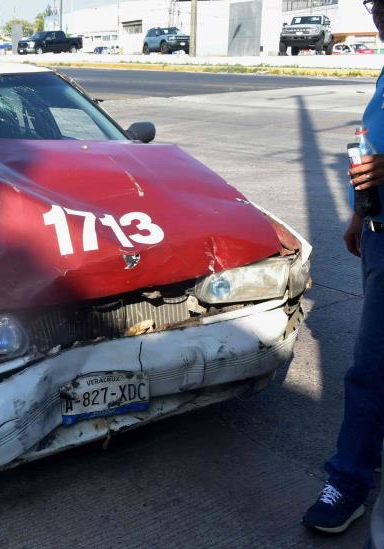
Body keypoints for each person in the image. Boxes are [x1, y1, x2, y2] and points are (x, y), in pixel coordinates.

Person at [302, 0, 384, 534]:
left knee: (369, 368)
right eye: (374, 3)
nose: (377, 12)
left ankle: (348, 481)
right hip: (379, 232)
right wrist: (358, 216)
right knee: (373, 366)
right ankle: (360, 465)